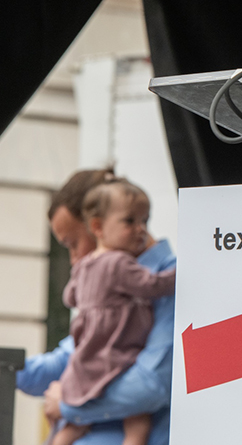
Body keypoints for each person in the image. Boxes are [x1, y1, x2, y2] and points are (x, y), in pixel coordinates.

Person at [17, 170, 177, 445]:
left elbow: (153, 386)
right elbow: (66, 361)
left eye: (73, 243)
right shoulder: (103, 289)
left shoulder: (168, 281)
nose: (74, 258)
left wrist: (67, 404)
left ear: (98, 227)